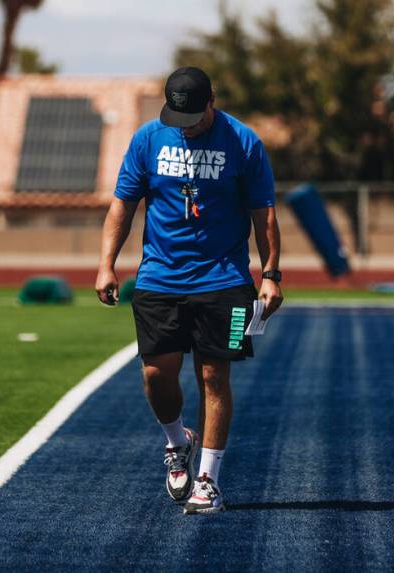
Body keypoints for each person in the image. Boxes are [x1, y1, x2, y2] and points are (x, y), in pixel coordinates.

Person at [96, 66, 283, 514]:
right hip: (159, 277)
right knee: (156, 376)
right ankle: (177, 440)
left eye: (195, 117)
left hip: (225, 280)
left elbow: (265, 214)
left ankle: (208, 480)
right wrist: (106, 264)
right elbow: (123, 202)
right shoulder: (147, 139)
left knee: (214, 377)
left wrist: (272, 273)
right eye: (179, 118)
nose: (186, 126)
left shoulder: (243, 143)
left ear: (212, 101)